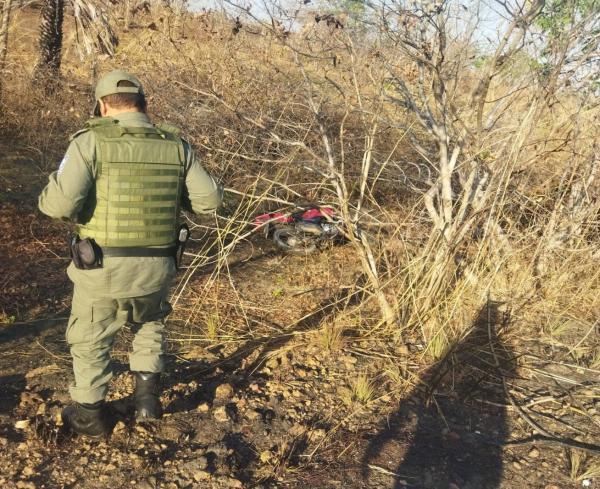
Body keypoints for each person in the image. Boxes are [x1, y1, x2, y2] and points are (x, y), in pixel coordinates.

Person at [38, 70, 223, 438]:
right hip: (158, 263)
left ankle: (90, 416)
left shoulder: (89, 141)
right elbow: (210, 201)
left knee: (91, 334)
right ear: (143, 104)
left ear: (103, 105)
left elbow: (57, 205)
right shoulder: (176, 145)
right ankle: (147, 403)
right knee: (150, 322)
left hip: (102, 263)